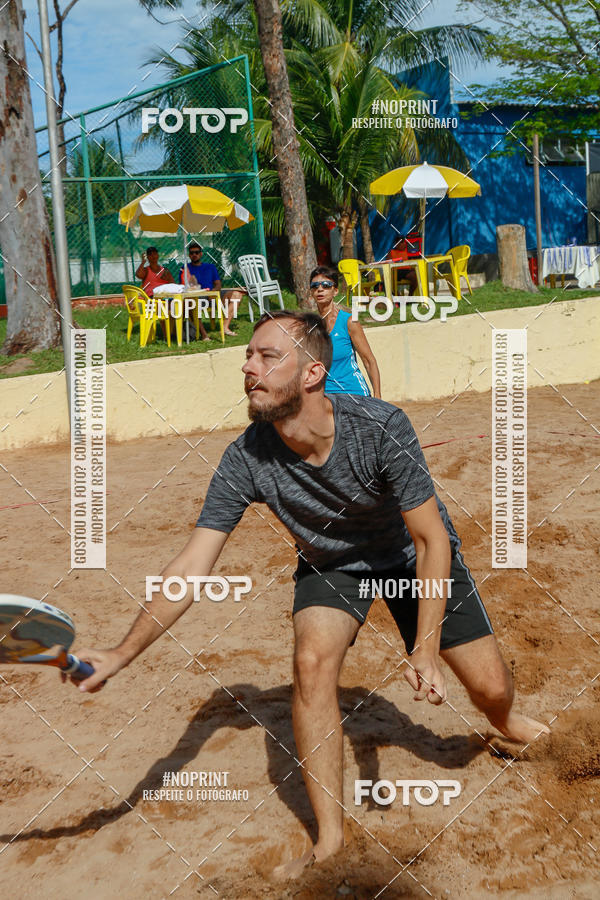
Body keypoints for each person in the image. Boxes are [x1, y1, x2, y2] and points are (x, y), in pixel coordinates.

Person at [70, 310, 549, 882]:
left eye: (268, 357)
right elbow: (191, 566)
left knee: (492, 690)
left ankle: (510, 721)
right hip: (333, 566)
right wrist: (121, 654)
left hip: (410, 557)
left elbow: (430, 540)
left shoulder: (380, 427)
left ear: (314, 372)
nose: (249, 368)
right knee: (311, 661)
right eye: (248, 356)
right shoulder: (244, 458)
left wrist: (422, 649)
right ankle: (330, 840)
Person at [310, 265, 381, 398]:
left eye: (326, 285)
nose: (320, 289)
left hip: (353, 392)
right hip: (324, 396)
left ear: (335, 291)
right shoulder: (310, 326)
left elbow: (369, 360)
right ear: (311, 292)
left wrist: (378, 396)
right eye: (315, 286)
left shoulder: (348, 321)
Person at [180, 242, 245, 338]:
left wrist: (213, 292)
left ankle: (224, 328)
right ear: (189, 255)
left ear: (201, 254)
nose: (194, 255)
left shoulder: (210, 267)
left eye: (197, 252)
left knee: (237, 294)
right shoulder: (185, 268)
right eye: (192, 253)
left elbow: (218, 284)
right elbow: (183, 286)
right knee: (189, 303)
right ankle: (204, 335)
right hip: (196, 296)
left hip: (212, 294)